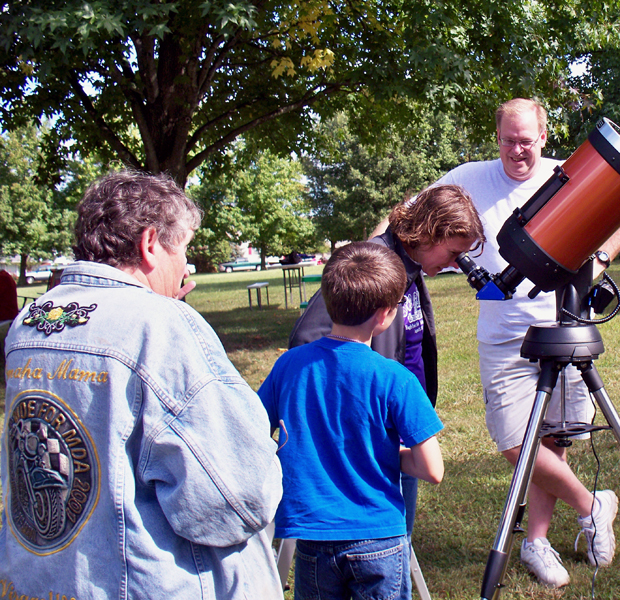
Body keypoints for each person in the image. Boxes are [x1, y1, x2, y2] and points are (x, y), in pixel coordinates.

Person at [0, 170, 284, 599]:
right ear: (151, 243)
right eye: (184, 248)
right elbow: (238, 500)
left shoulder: (32, 320)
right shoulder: (159, 325)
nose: (186, 265)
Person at [431, 98, 620, 588]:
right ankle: (594, 505)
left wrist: (601, 262)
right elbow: (412, 215)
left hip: (562, 323)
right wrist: (369, 253)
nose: (517, 150)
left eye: (527, 140)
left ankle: (536, 543)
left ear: (544, 137)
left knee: (555, 439)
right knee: (513, 442)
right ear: (497, 138)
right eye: (508, 140)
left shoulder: (569, 176)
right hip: (504, 337)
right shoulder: (469, 177)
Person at [288, 184, 485, 542]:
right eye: (454, 252)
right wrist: (352, 419)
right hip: (368, 441)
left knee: (391, 542)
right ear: (429, 232)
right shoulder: (375, 263)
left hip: (395, 431)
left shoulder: (408, 265)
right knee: (378, 547)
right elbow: (307, 342)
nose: (458, 263)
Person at [260, 241, 445, 600]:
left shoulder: (289, 365)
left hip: (312, 537)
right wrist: (386, 453)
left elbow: (252, 429)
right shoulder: (396, 378)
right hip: (379, 536)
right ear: (386, 315)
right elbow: (432, 469)